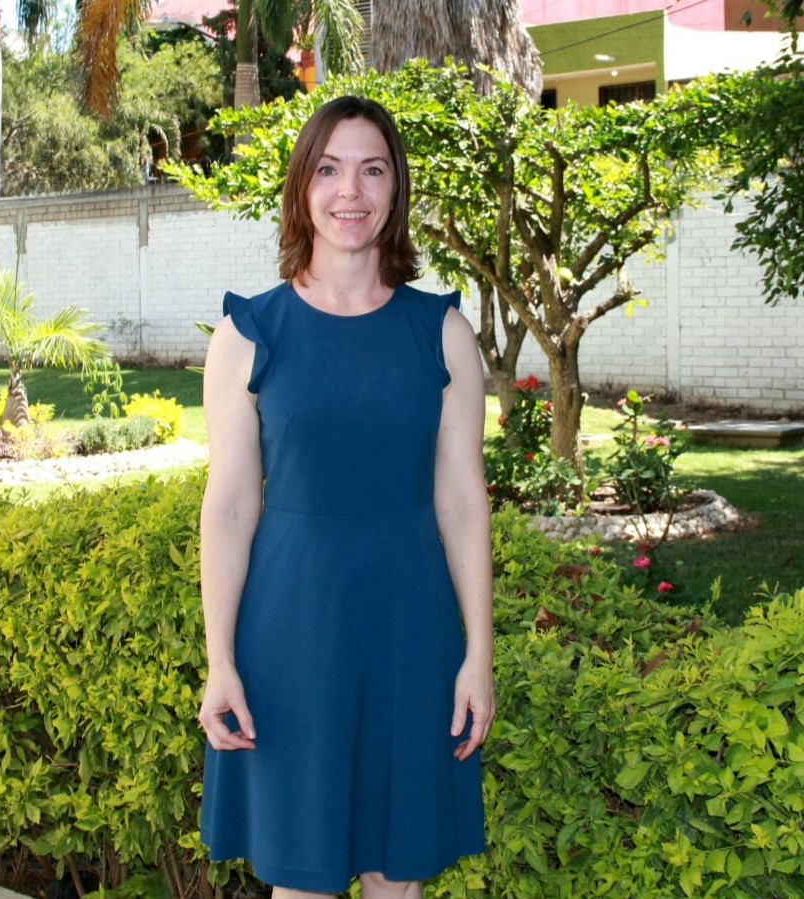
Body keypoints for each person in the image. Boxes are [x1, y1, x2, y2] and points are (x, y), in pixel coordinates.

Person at [197, 96, 495, 899]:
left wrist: (478, 653)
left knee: (399, 878)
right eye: (328, 169)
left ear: (397, 189)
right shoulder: (248, 335)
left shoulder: (442, 334)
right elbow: (230, 507)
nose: (350, 192)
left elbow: (463, 503)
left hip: (411, 632)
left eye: (373, 170)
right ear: (302, 186)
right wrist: (220, 661)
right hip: (289, 636)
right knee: (301, 879)